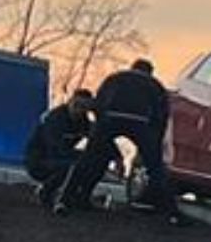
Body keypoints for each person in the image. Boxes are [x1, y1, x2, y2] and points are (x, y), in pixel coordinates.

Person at [54, 58, 186, 225]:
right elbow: (161, 116)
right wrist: (153, 145)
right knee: (156, 169)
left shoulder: (115, 78)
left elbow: (99, 103)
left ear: (132, 68)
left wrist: (99, 130)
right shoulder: (155, 85)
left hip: (110, 118)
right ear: (149, 72)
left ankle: (64, 200)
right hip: (140, 122)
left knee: (87, 159)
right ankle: (172, 213)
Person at [24, 89, 94, 208]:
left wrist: (116, 157)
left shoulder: (83, 122)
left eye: (84, 108)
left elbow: (98, 139)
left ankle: (79, 196)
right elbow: (55, 148)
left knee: (92, 162)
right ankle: (50, 193)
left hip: (59, 158)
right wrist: (80, 156)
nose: (79, 111)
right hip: (40, 160)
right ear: (70, 102)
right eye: (76, 105)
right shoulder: (56, 119)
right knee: (73, 165)